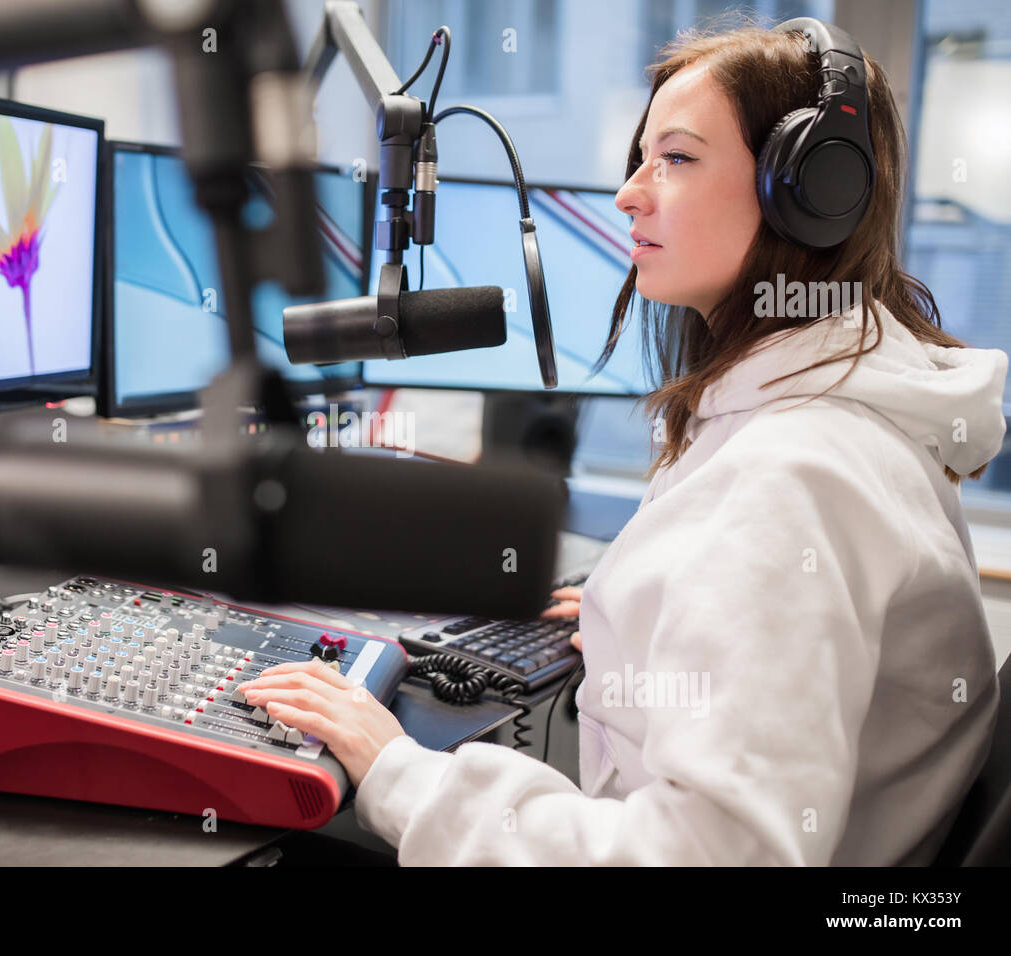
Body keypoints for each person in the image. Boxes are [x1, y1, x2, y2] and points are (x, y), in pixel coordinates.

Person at [237, 20, 1007, 865]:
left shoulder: (795, 477)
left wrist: (399, 774)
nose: (629, 194)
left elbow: (710, 856)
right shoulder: (821, 407)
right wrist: (639, 619)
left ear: (810, 191)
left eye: (675, 159)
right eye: (642, 158)